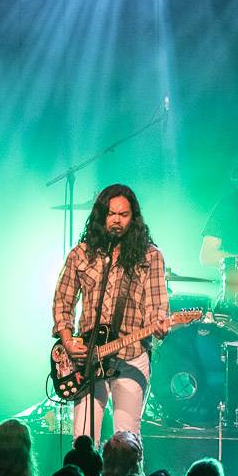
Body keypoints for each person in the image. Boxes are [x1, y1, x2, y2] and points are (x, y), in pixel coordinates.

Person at [51, 184, 170, 442]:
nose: (117, 220)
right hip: (89, 358)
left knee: (126, 441)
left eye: (124, 215)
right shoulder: (81, 254)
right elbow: (62, 301)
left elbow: (156, 306)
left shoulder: (150, 256)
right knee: (82, 441)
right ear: (101, 216)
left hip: (130, 357)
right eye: (111, 213)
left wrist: (159, 324)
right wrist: (68, 341)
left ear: (133, 218)